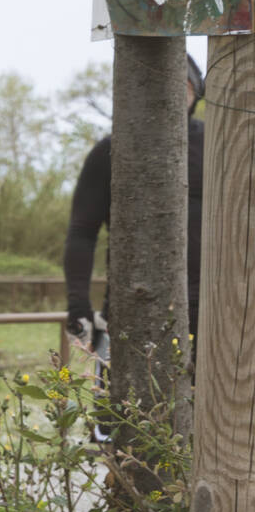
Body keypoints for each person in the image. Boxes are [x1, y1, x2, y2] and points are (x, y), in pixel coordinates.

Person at [64, 54, 204, 359]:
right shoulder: (110, 152)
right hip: (129, 312)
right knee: (120, 405)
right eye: (160, 85)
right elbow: (82, 233)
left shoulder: (219, 147)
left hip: (215, 313)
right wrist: (78, 306)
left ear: (196, 91)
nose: (170, 94)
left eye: (181, 85)